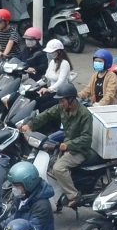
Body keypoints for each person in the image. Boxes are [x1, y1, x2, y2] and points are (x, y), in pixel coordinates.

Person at [30, 81, 97, 213]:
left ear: (71, 99)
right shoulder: (62, 108)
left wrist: (68, 145)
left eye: (62, 100)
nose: (60, 103)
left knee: (58, 168)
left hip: (80, 150)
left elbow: (86, 138)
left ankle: (73, 195)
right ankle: (58, 199)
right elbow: (47, 114)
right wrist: (30, 125)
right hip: (66, 147)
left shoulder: (84, 114)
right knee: (49, 167)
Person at [1, 160, 58, 230]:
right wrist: (0, 225)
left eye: (17, 185)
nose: (14, 189)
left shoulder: (41, 205)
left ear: (28, 184)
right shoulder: (24, 198)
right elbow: (17, 217)